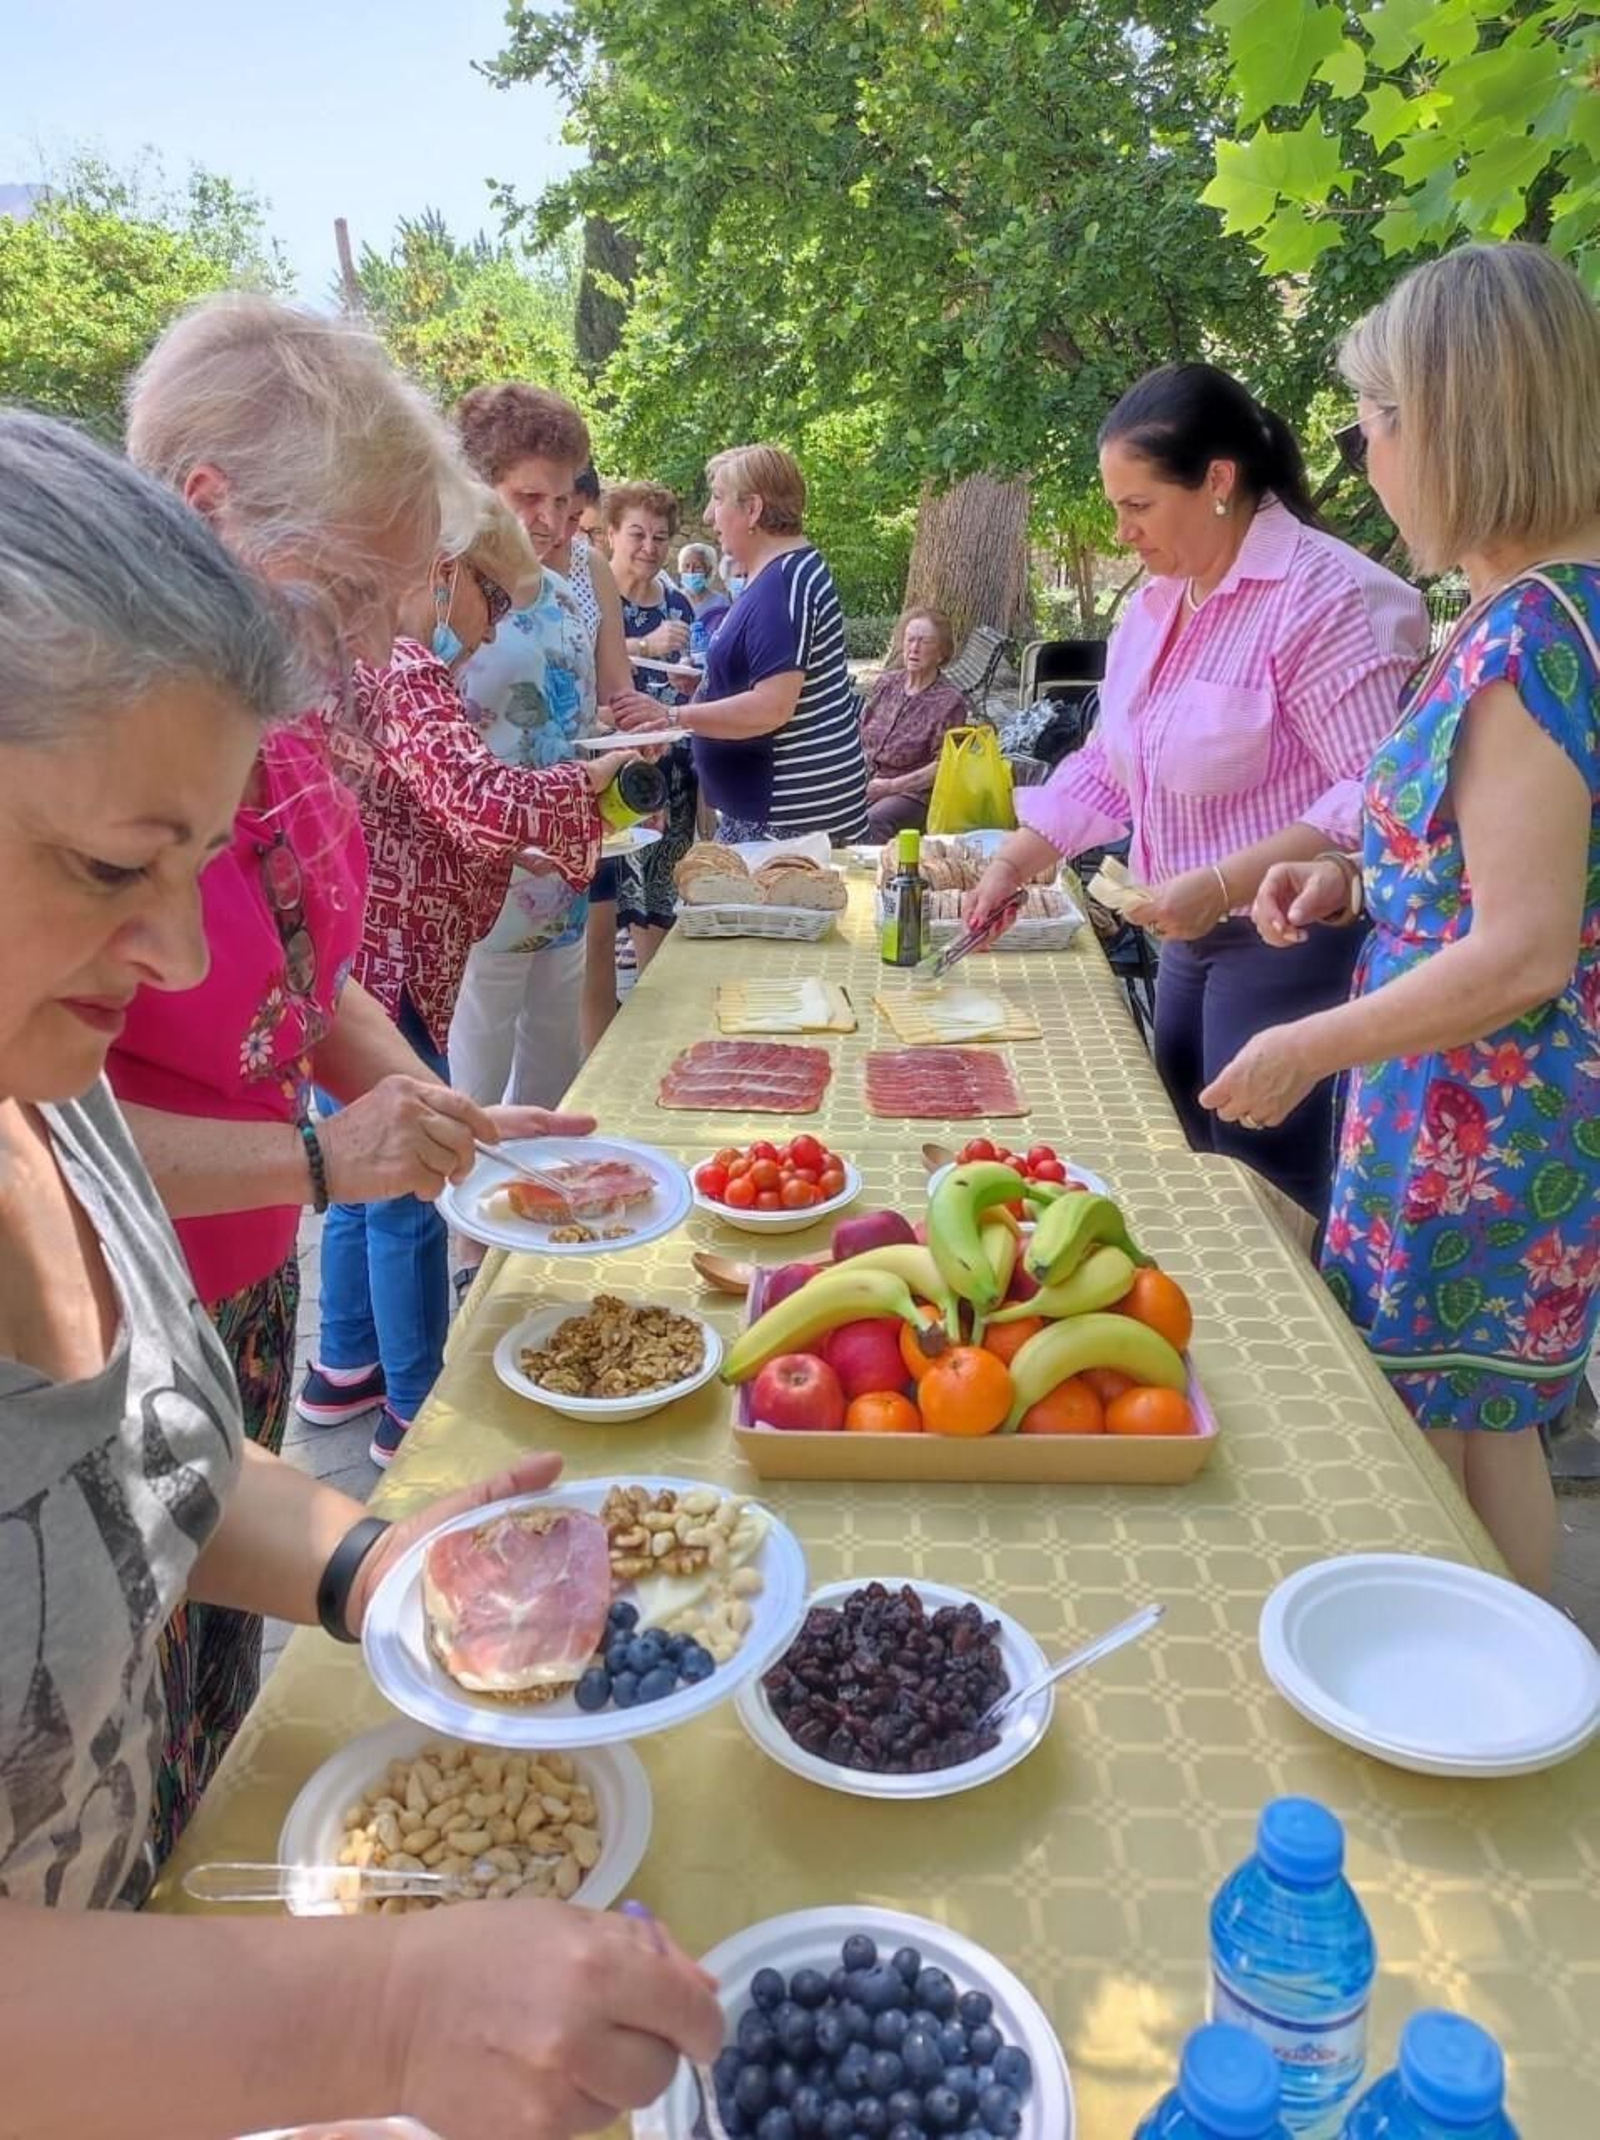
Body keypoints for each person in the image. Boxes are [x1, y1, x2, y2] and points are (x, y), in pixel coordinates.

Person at [0, 408, 719, 2139]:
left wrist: (392, 1565)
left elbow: (139, 1473)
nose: (178, 952)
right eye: (113, 866)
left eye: (199, 862)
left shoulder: (55, 1079)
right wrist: (391, 2015)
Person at [1201, 243, 1600, 1593]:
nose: (1365, 460)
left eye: (1374, 423)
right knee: (1492, 1440)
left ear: (1455, 421)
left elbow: (1526, 946)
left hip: (1472, 1126)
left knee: (1420, 1463)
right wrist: (1358, 879)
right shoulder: (1550, 610)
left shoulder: (1528, 639)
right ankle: (1526, 1737)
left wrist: (1314, 1044)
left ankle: (1465, 1756)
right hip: (1493, 1115)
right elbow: (1501, 873)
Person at [964, 363, 1427, 1218]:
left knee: (1264, 1195)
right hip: (1187, 934)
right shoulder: (1159, 601)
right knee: (1183, 1160)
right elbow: (1113, 756)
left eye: (1138, 506)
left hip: (1291, 942)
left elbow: (1377, 794)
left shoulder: (1328, 597)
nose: (1123, 531)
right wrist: (1018, 860)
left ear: (1217, 481)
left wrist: (1226, 884)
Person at [307, 488, 637, 1467]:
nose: (497, 628)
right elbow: (475, 797)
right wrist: (588, 789)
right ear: (448, 575)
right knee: (410, 1168)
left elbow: (439, 804)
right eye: (496, 602)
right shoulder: (408, 661)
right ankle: (417, 1405)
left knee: (354, 1160)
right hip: (394, 948)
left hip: (354, 943)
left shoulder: (361, 655)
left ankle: (345, 1362)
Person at [611, 443, 870, 844]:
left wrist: (673, 717)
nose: (708, 516)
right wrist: (710, 683)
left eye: (717, 499)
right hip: (773, 806)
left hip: (784, 815)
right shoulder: (781, 573)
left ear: (752, 509)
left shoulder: (782, 583)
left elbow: (772, 706)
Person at [546, 458, 634, 1049]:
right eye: (554, 510)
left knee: (590, 948)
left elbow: (616, 686)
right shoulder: (470, 571)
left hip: (588, 793)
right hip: (512, 806)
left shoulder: (590, 567)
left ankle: (586, 1080)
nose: (560, 529)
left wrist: (637, 736)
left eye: (575, 518)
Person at [605, 480, 702, 968]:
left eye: (660, 537)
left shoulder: (677, 602)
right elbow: (586, 659)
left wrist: (690, 687)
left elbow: (678, 674)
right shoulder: (594, 595)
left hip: (673, 768)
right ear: (611, 535)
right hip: (616, 769)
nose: (649, 548)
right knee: (615, 894)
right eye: (637, 534)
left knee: (661, 897)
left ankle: (650, 995)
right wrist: (645, 646)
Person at [861, 607, 969, 840]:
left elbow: (943, 766)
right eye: (910, 639)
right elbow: (860, 729)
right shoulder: (887, 683)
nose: (914, 648)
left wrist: (891, 787)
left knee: (874, 819)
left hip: (913, 794)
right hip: (868, 780)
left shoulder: (950, 701)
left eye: (924, 641)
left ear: (941, 652)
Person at [678, 539, 732, 640]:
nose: (691, 571)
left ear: (708, 570)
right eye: (686, 566)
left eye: (697, 567)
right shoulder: (673, 600)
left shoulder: (721, 603)